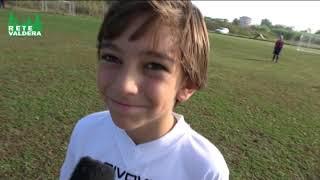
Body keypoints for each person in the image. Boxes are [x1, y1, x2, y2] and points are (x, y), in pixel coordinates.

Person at [60, 1, 229, 180]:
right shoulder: (86, 131)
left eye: (154, 66)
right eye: (111, 57)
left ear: (187, 85)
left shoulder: (204, 168)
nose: (124, 85)